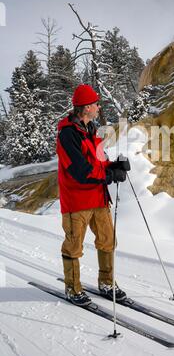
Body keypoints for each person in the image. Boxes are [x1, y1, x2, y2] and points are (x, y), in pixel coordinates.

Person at [56, 84, 128, 306]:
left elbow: (97, 161)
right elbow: (79, 170)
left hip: (98, 198)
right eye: (96, 103)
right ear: (86, 107)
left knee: (108, 240)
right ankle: (73, 288)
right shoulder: (67, 135)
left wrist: (114, 165)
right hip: (77, 200)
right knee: (74, 245)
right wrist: (107, 176)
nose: (98, 106)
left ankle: (106, 283)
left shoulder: (91, 129)